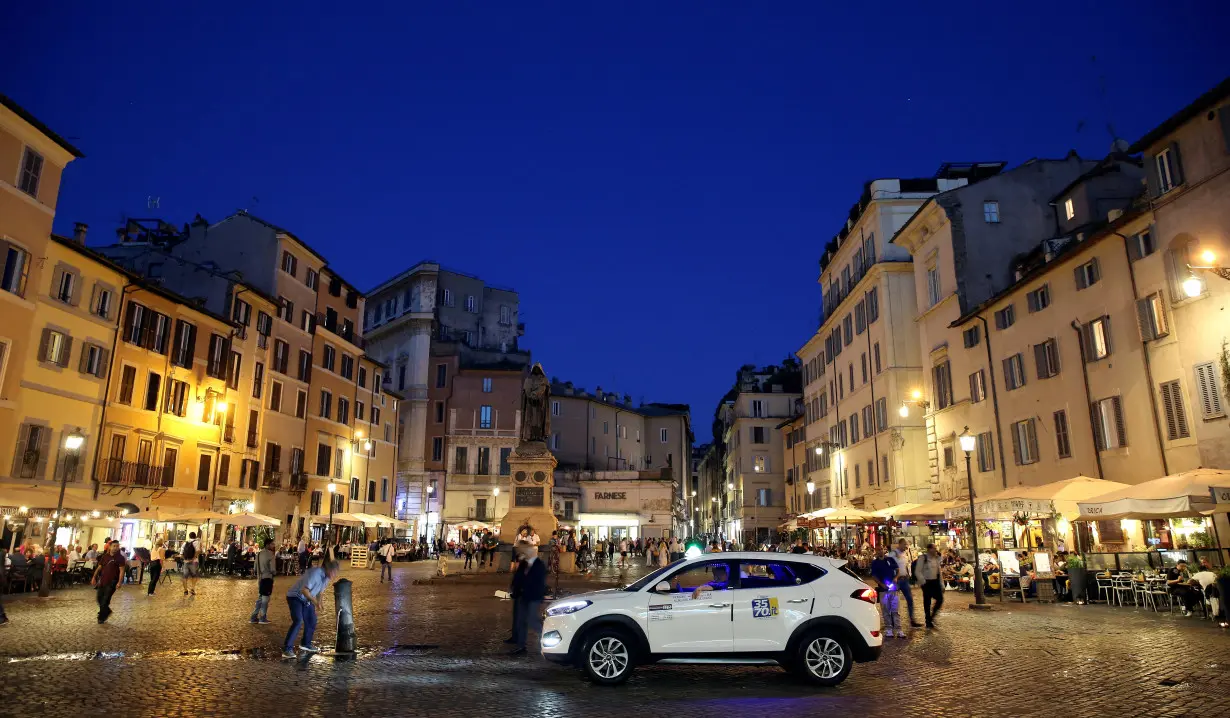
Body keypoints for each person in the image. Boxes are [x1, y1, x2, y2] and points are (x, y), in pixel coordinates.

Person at [282, 558, 339, 659]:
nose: (334, 575)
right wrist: (315, 602)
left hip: (306, 599)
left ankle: (305, 644)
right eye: (334, 572)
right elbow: (304, 590)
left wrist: (320, 602)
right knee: (298, 620)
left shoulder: (326, 577)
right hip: (295, 597)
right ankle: (287, 649)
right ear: (329, 569)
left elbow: (320, 591)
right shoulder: (316, 574)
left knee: (312, 620)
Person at [508, 543, 548, 656]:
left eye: (523, 551)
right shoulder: (524, 563)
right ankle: (521, 646)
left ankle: (546, 641)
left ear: (531, 551)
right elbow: (518, 578)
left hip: (534, 597)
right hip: (523, 596)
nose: (521, 553)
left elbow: (538, 583)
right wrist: (514, 590)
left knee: (532, 620)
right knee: (521, 621)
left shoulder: (539, 565)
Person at [870, 547, 903, 638]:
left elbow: (897, 570)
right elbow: (873, 576)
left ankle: (899, 629)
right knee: (885, 610)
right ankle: (889, 629)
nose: (880, 551)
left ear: (884, 551)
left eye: (881, 549)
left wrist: (895, 578)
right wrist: (880, 584)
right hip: (883, 590)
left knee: (895, 610)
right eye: (878, 550)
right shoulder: (875, 563)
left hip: (893, 589)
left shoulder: (890, 560)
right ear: (876, 552)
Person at [91, 541, 126, 623]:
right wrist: (94, 577)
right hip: (103, 580)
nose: (116, 548)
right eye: (114, 546)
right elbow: (99, 567)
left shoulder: (120, 558)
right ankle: (107, 611)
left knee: (105, 600)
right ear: (110, 547)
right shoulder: (105, 556)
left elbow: (122, 571)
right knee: (99, 598)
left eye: (117, 546)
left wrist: (119, 582)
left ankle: (101, 618)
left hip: (112, 581)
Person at [891, 539, 923, 628]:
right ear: (900, 544)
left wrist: (909, 575)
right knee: (894, 601)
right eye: (905, 544)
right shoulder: (893, 554)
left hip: (904, 580)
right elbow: (889, 566)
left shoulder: (905, 554)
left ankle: (912, 620)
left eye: (907, 545)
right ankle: (893, 621)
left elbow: (907, 565)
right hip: (896, 581)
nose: (906, 547)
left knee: (910, 600)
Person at [916, 543, 944, 628]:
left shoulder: (936, 559)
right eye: (934, 548)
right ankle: (928, 620)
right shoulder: (923, 558)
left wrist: (941, 584)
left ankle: (931, 617)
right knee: (927, 601)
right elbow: (918, 571)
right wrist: (923, 582)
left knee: (940, 599)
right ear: (929, 549)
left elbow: (939, 572)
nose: (935, 550)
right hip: (926, 582)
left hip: (935, 582)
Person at [249, 539, 276, 624]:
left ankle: (253, 616)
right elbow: (272, 569)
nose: (273, 546)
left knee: (260, 598)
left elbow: (255, 567)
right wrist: (274, 573)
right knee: (265, 599)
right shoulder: (270, 554)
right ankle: (262, 617)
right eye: (272, 544)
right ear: (267, 545)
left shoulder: (259, 553)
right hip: (267, 577)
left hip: (260, 578)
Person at [182, 532, 202, 596]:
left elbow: (181, 553)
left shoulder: (185, 543)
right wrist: (193, 558)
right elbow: (198, 551)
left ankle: (185, 591)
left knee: (185, 576)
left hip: (186, 562)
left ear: (189, 536)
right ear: (195, 536)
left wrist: (185, 559)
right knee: (194, 575)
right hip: (194, 561)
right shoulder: (196, 542)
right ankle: (192, 589)